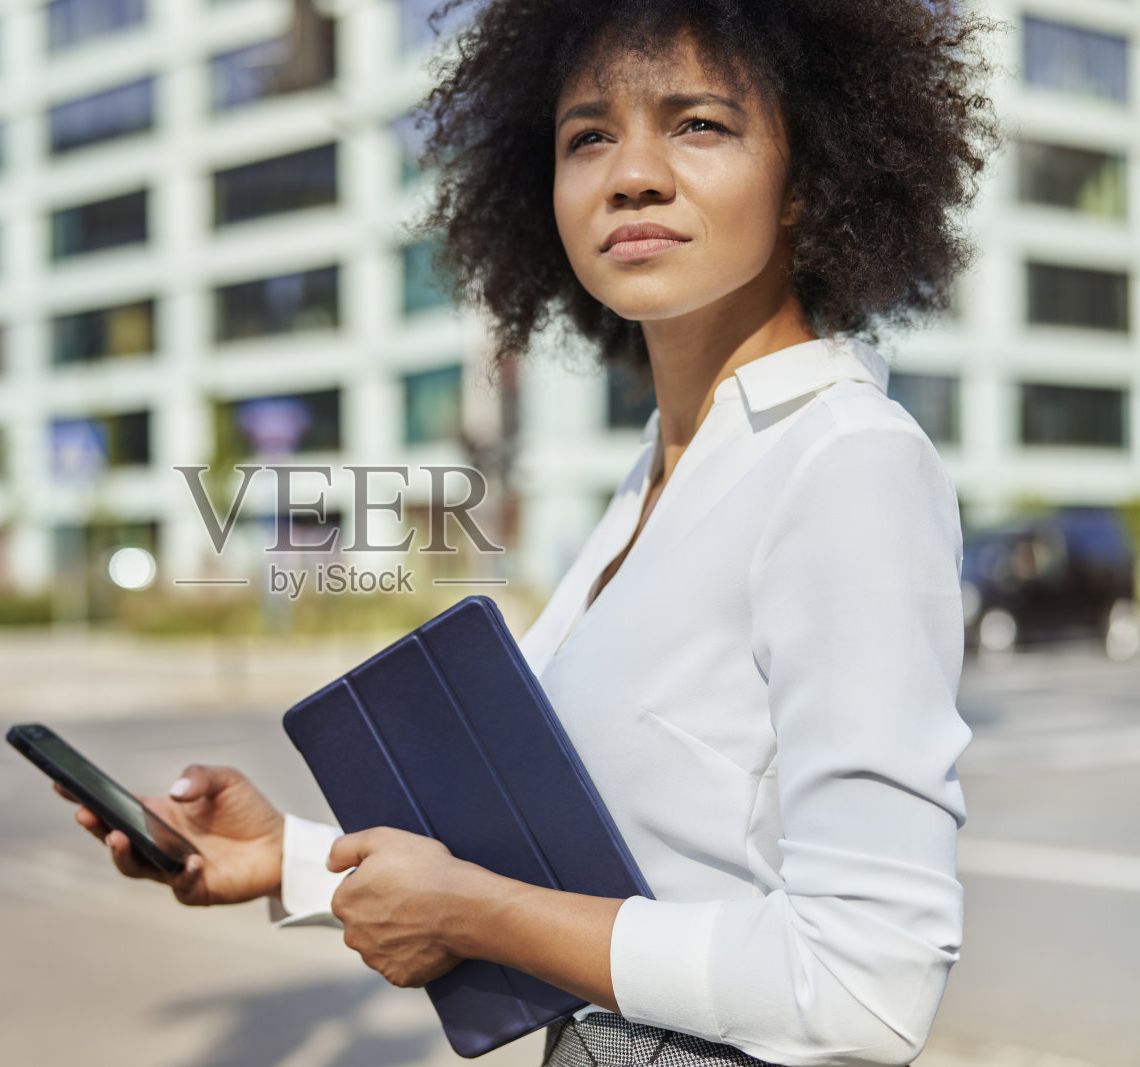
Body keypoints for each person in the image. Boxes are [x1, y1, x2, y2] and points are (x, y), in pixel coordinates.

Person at [61, 1, 999, 1064]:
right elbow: (592, 873)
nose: (630, 173)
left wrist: (472, 916)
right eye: (587, 135)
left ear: (809, 178)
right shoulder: (658, 473)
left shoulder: (843, 460)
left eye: (698, 124)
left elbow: (865, 982)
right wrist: (285, 860)